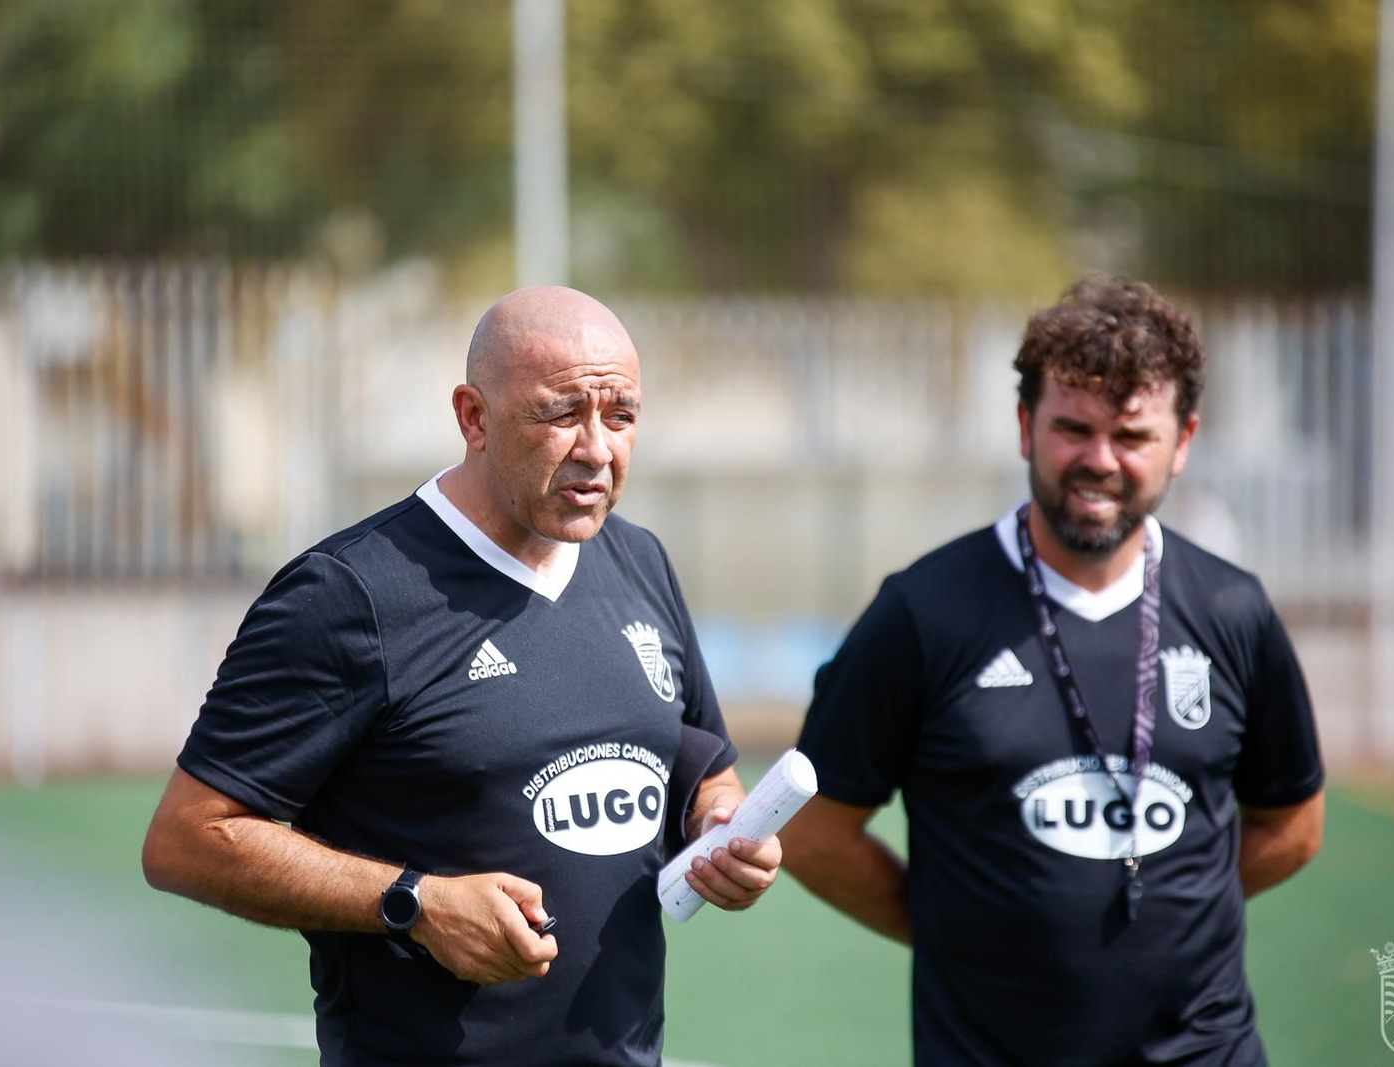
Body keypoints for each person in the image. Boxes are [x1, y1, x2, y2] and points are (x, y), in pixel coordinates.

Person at [141, 286, 781, 1067]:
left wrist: (721, 825)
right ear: (474, 417)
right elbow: (185, 838)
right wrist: (414, 901)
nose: (596, 448)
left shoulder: (638, 560)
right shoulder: (351, 594)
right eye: (559, 413)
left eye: (620, 417)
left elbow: (696, 753)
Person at [783, 277, 1324, 1066]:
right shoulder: (923, 613)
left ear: (1183, 441)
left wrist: (1182, 907)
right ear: (1024, 426)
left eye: (1132, 436)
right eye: (1073, 428)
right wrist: (954, 925)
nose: (1099, 461)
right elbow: (815, 831)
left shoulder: (1235, 611)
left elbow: (1294, 824)